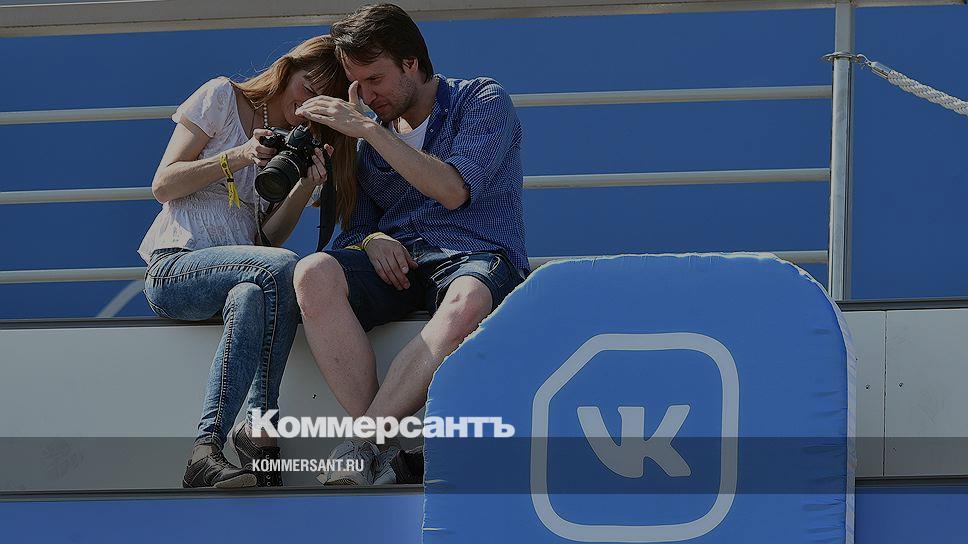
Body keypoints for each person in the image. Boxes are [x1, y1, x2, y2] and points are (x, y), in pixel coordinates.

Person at [292, 4, 528, 486]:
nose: (367, 96)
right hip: (401, 265)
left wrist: (367, 131)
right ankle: (384, 450)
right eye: (357, 84)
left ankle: (363, 442)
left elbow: (452, 190)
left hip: (475, 256)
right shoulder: (367, 137)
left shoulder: (482, 99)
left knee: (468, 299)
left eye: (375, 79)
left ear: (411, 63)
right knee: (312, 272)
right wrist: (373, 238)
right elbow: (356, 229)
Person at [139, 36, 357, 488]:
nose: (307, 105)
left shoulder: (294, 145)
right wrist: (239, 155)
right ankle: (261, 427)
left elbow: (264, 240)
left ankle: (205, 449)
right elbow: (163, 184)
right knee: (285, 267)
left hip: (235, 276)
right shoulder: (221, 96)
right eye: (308, 87)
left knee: (251, 295)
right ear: (287, 69)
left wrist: (304, 185)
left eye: (321, 103)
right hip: (176, 266)